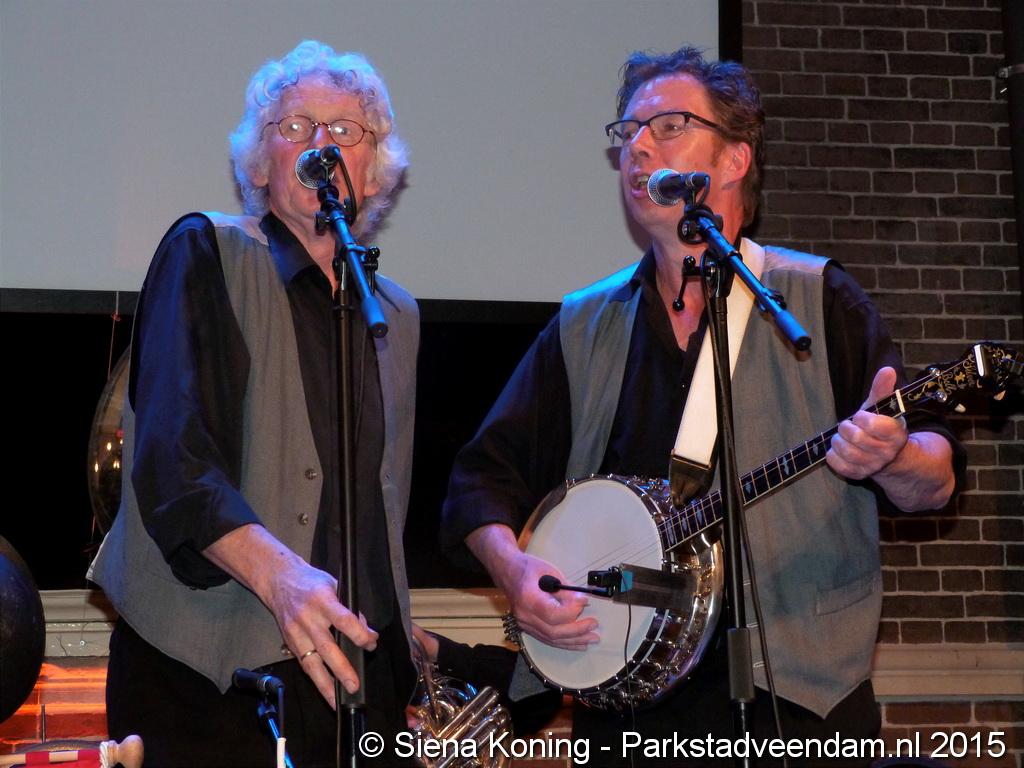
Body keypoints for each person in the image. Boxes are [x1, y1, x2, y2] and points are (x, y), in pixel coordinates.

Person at [441, 46, 963, 767]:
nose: (638, 148)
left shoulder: (817, 299)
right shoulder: (586, 323)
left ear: (735, 159)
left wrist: (896, 457)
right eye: (627, 133)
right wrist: (513, 571)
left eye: (669, 126)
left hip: (798, 706)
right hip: (628, 714)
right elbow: (480, 481)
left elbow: (936, 477)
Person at [89, 41, 418, 768]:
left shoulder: (396, 314)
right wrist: (283, 577)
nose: (321, 143)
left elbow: (378, 508)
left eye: (345, 130)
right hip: (208, 684)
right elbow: (175, 465)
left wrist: (402, 649)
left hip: (353, 683)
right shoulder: (207, 250)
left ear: (375, 169)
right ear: (261, 163)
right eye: (295, 127)